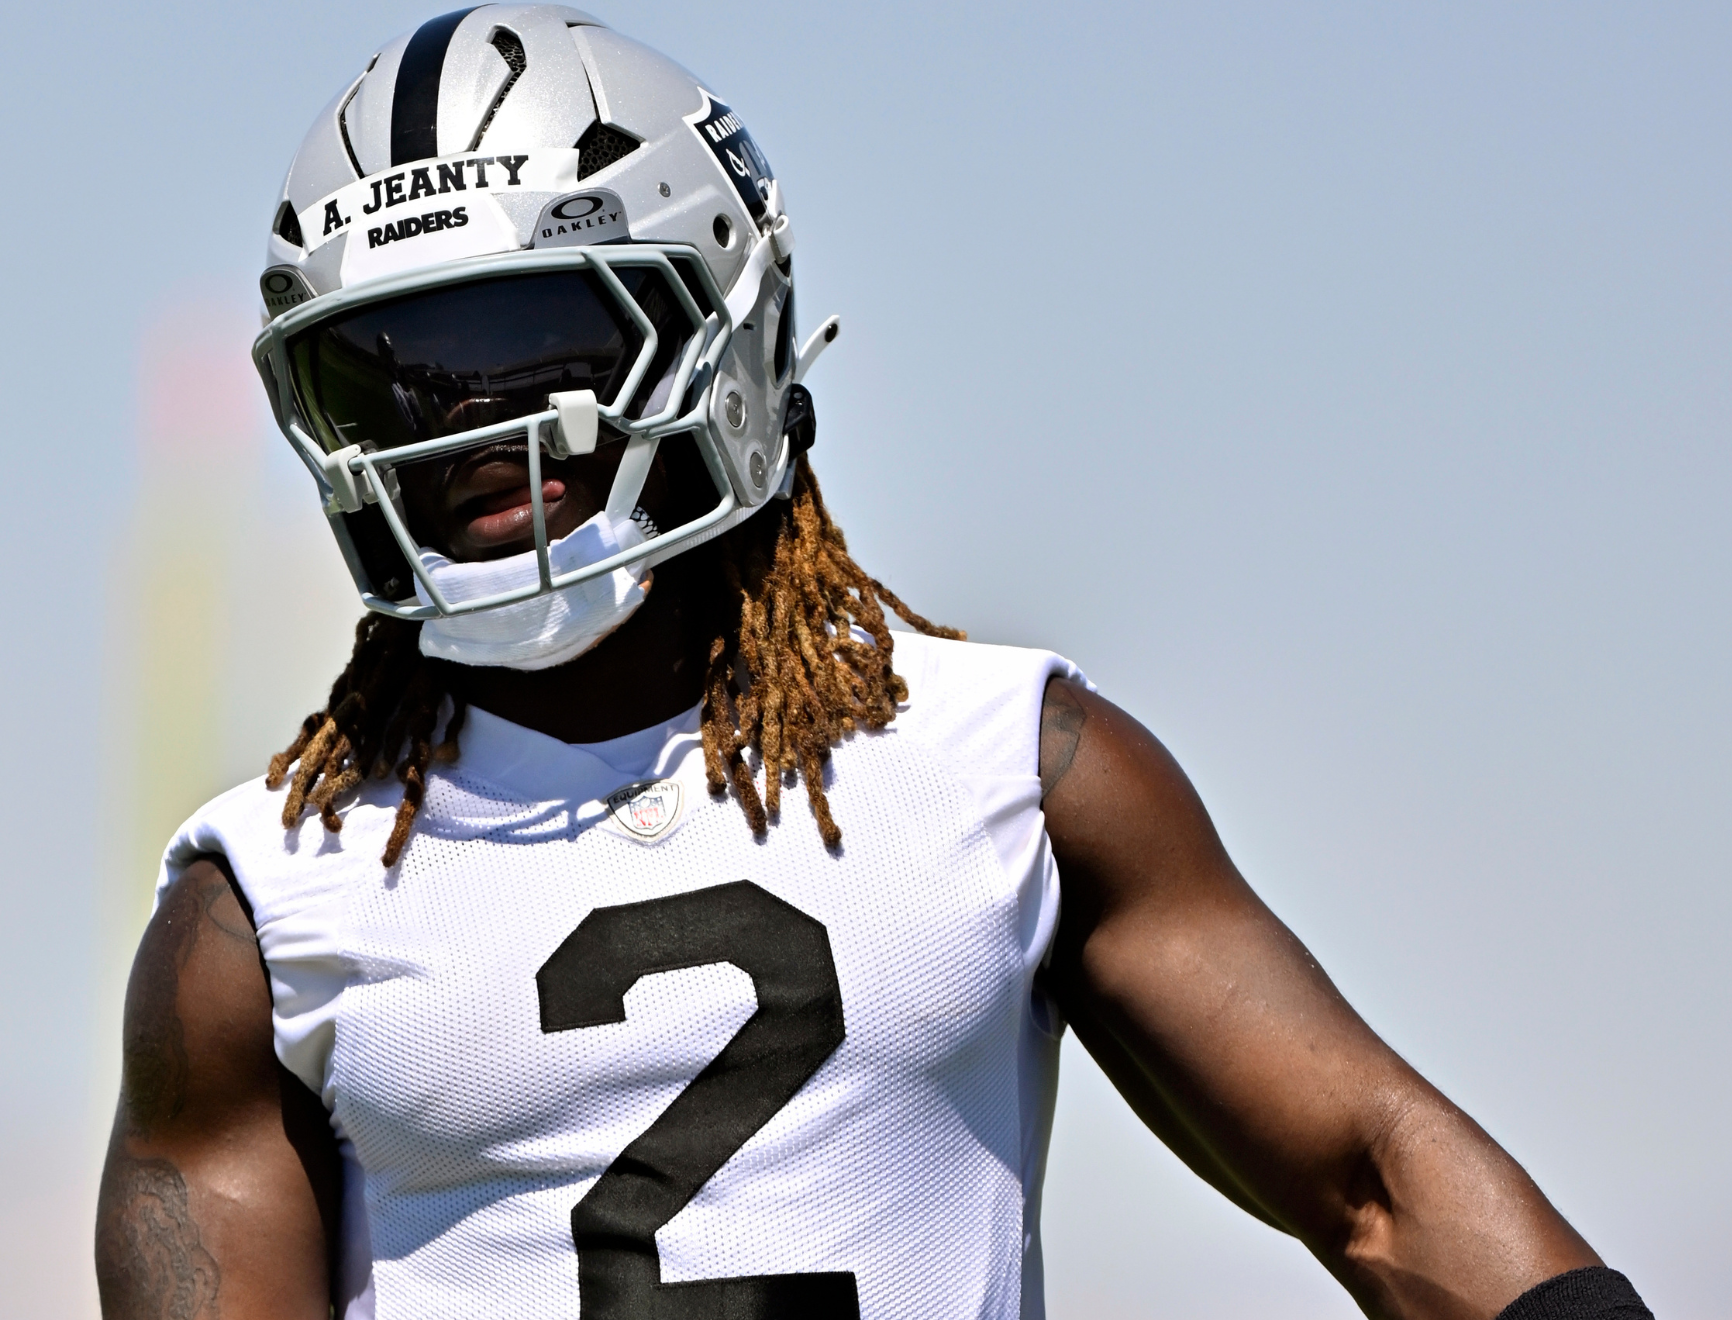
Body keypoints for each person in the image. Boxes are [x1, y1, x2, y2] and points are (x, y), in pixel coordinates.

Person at [95, 8, 1653, 1319]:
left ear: (724, 320)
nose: (474, 430)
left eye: (538, 339)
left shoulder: (1008, 765)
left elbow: (1374, 1181)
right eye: (396, 372)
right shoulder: (267, 902)